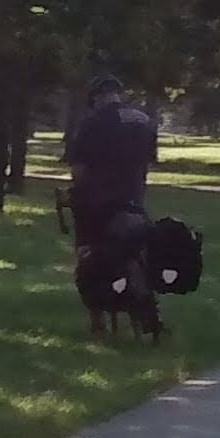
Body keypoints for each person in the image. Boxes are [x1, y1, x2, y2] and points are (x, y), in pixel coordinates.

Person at [64, 74, 161, 292]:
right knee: (140, 245)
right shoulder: (144, 121)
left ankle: (94, 307)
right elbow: (150, 161)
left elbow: (79, 169)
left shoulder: (93, 123)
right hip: (135, 198)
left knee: (87, 247)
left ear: (97, 98)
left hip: (100, 203)